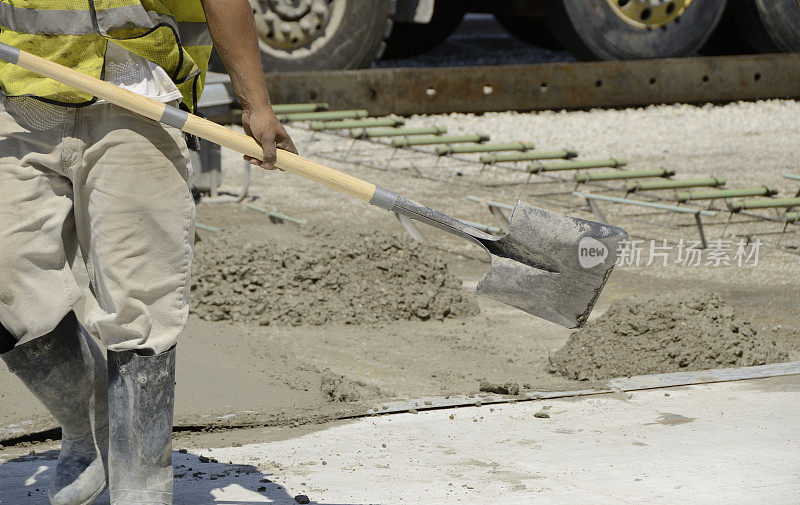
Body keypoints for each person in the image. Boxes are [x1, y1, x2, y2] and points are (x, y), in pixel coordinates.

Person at [0, 1, 296, 504]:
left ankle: (142, 487)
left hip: (137, 98)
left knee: (141, 301)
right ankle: (91, 424)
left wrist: (255, 103)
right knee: (8, 291)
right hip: (19, 95)